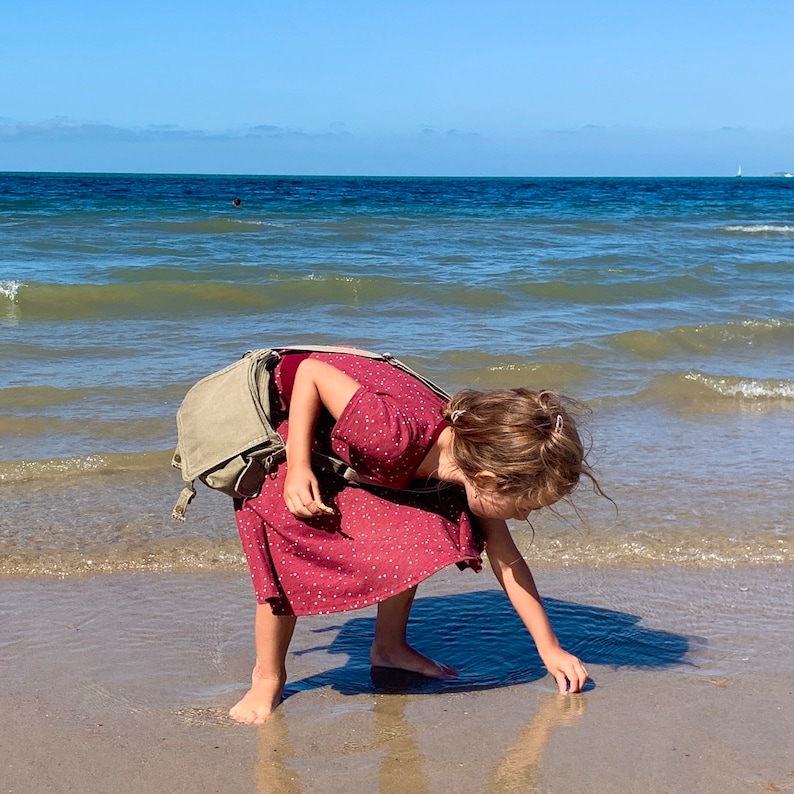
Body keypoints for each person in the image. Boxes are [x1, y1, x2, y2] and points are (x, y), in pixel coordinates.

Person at [229, 349, 597, 725]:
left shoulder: (469, 463)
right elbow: (310, 372)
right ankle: (268, 675)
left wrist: (549, 648)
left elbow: (507, 559)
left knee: (422, 532)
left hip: (347, 431)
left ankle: (389, 647)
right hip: (285, 414)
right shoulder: (393, 436)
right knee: (291, 542)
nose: (524, 516)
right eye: (525, 507)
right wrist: (300, 468)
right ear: (486, 481)